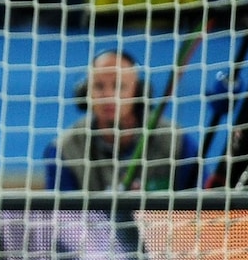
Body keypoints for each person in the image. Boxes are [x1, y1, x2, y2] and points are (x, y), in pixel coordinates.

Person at [45, 49, 198, 192]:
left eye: (119, 86)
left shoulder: (175, 141)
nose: (108, 96)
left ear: (138, 92)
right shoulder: (64, 150)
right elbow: (62, 217)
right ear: (85, 92)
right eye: (98, 86)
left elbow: (203, 206)